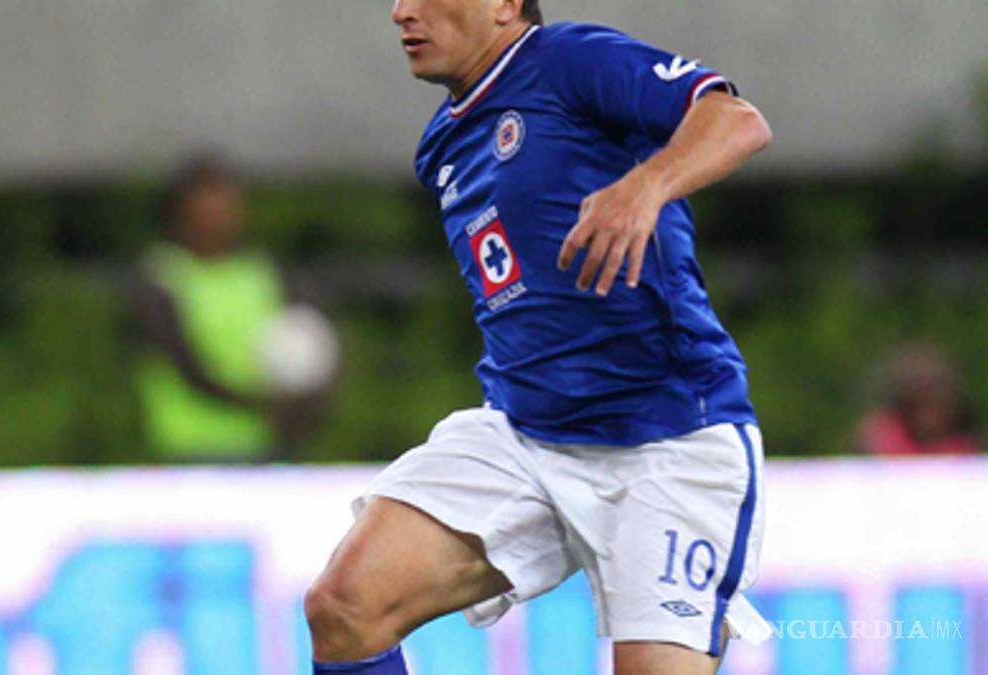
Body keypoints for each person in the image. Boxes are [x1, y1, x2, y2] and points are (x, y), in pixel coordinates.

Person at [305, 1, 773, 674]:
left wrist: (645, 186)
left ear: (504, 4)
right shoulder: (443, 145)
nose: (402, 11)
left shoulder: (567, 60)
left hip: (666, 440)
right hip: (526, 434)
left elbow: (736, 120)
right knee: (345, 607)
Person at [131, 154, 285, 462]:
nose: (219, 214)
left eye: (227, 203)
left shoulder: (260, 273)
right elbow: (186, 365)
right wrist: (266, 405)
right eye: (207, 202)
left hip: (259, 445)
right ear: (181, 209)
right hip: (186, 449)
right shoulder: (164, 274)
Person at [859, 343, 979, 456]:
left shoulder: (962, 441)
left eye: (938, 397)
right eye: (923, 398)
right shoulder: (883, 433)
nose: (933, 408)